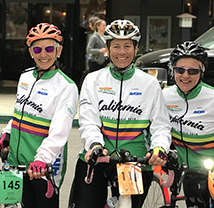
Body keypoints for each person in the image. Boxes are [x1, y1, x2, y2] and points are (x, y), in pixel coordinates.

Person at [70, 19, 171, 208]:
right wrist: (94, 144)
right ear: (107, 48)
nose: (122, 52)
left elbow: (161, 125)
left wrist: (159, 148)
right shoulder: (93, 80)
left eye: (127, 46)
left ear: (136, 48)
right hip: (98, 156)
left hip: (137, 160)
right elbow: (88, 120)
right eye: (116, 46)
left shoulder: (149, 84)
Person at [0, 23, 78, 208]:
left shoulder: (66, 87)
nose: (44, 54)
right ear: (30, 52)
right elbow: (20, 113)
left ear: (59, 51)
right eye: (38, 49)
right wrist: (7, 132)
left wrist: (42, 159)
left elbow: (60, 131)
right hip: (16, 165)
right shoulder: (25, 77)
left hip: (44, 167)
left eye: (50, 48)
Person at [164, 41, 214, 208]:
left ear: (202, 71)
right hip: (187, 174)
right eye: (179, 70)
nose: (185, 76)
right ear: (172, 69)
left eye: (193, 71)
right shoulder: (165, 96)